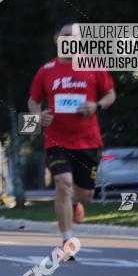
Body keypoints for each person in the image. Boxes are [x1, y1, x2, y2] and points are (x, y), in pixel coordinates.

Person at [28, 21, 116, 259]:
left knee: (84, 195)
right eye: (66, 35)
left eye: (75, 36)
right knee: (63, 184)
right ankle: (67, 240)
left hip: (89, 141)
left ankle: (78, 204)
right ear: (56, 38)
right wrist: (38, 116)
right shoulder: (46, 70)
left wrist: (96, 105)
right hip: (56, 140)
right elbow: (33, 100)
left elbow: (110, 94)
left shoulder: (93, 65)